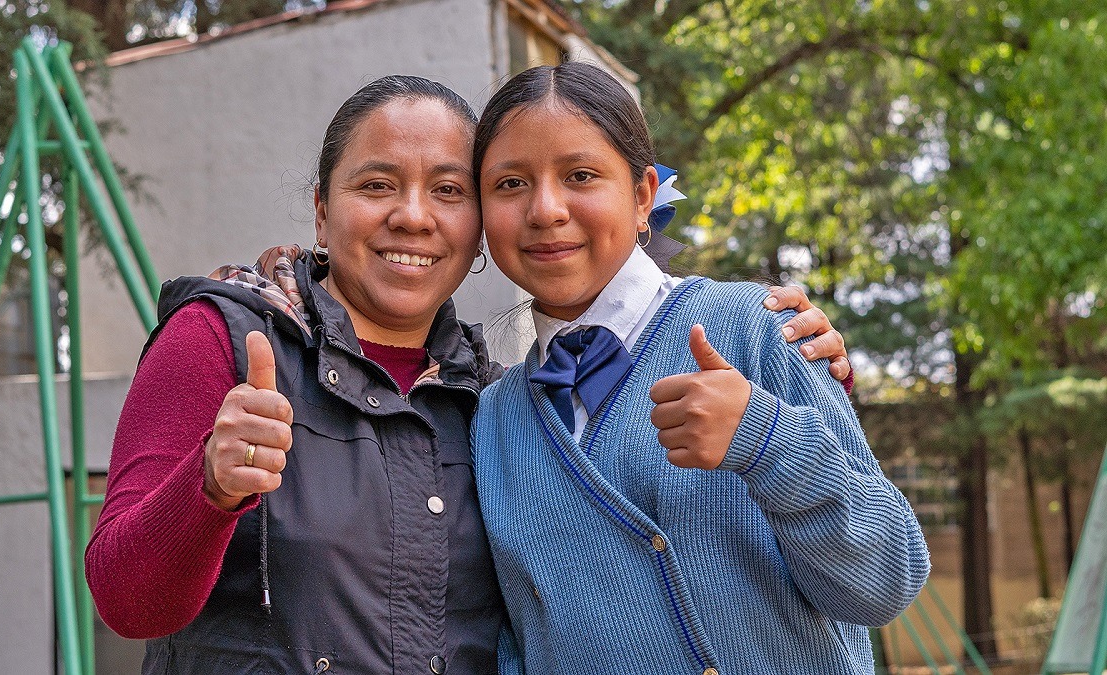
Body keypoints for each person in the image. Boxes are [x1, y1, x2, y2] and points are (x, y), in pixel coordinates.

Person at [86, 75, 854, 674]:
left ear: (478, 226)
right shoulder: (221, 339)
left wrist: (803, 388)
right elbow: (126, 601)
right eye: (377, 184)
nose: (414, 216)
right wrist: (211, 487)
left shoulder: (492, 397)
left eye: (449, 190)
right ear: (322, 211)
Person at [470, 62, 929, 675]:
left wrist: (766, 442)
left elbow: (885, 580)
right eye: (510, 184)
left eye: (581, 175)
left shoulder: (754, 327)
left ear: (642, 196)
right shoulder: (492, 419)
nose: (546, 209)